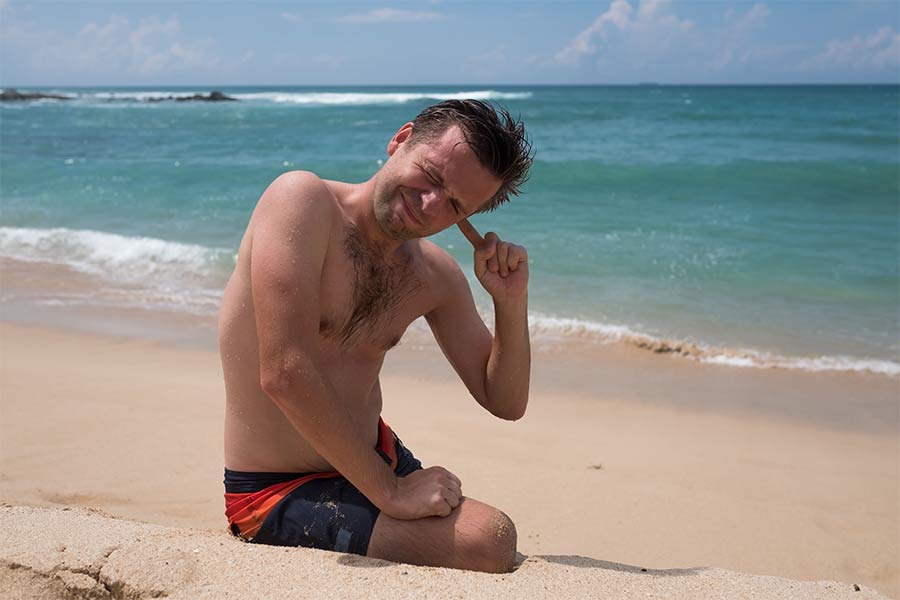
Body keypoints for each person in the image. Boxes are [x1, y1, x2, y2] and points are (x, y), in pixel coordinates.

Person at [219, 100, 533, 573]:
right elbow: (284, 371)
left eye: (454, 205)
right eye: (430, 174)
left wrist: (510, 302)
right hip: (275, 487)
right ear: (401, 139)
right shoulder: (302, 202)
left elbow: (504, 400)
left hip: (374, 459)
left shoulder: (433, 275)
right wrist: (390, 492)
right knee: (489, 541)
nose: (429, 203)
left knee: (493, 535)